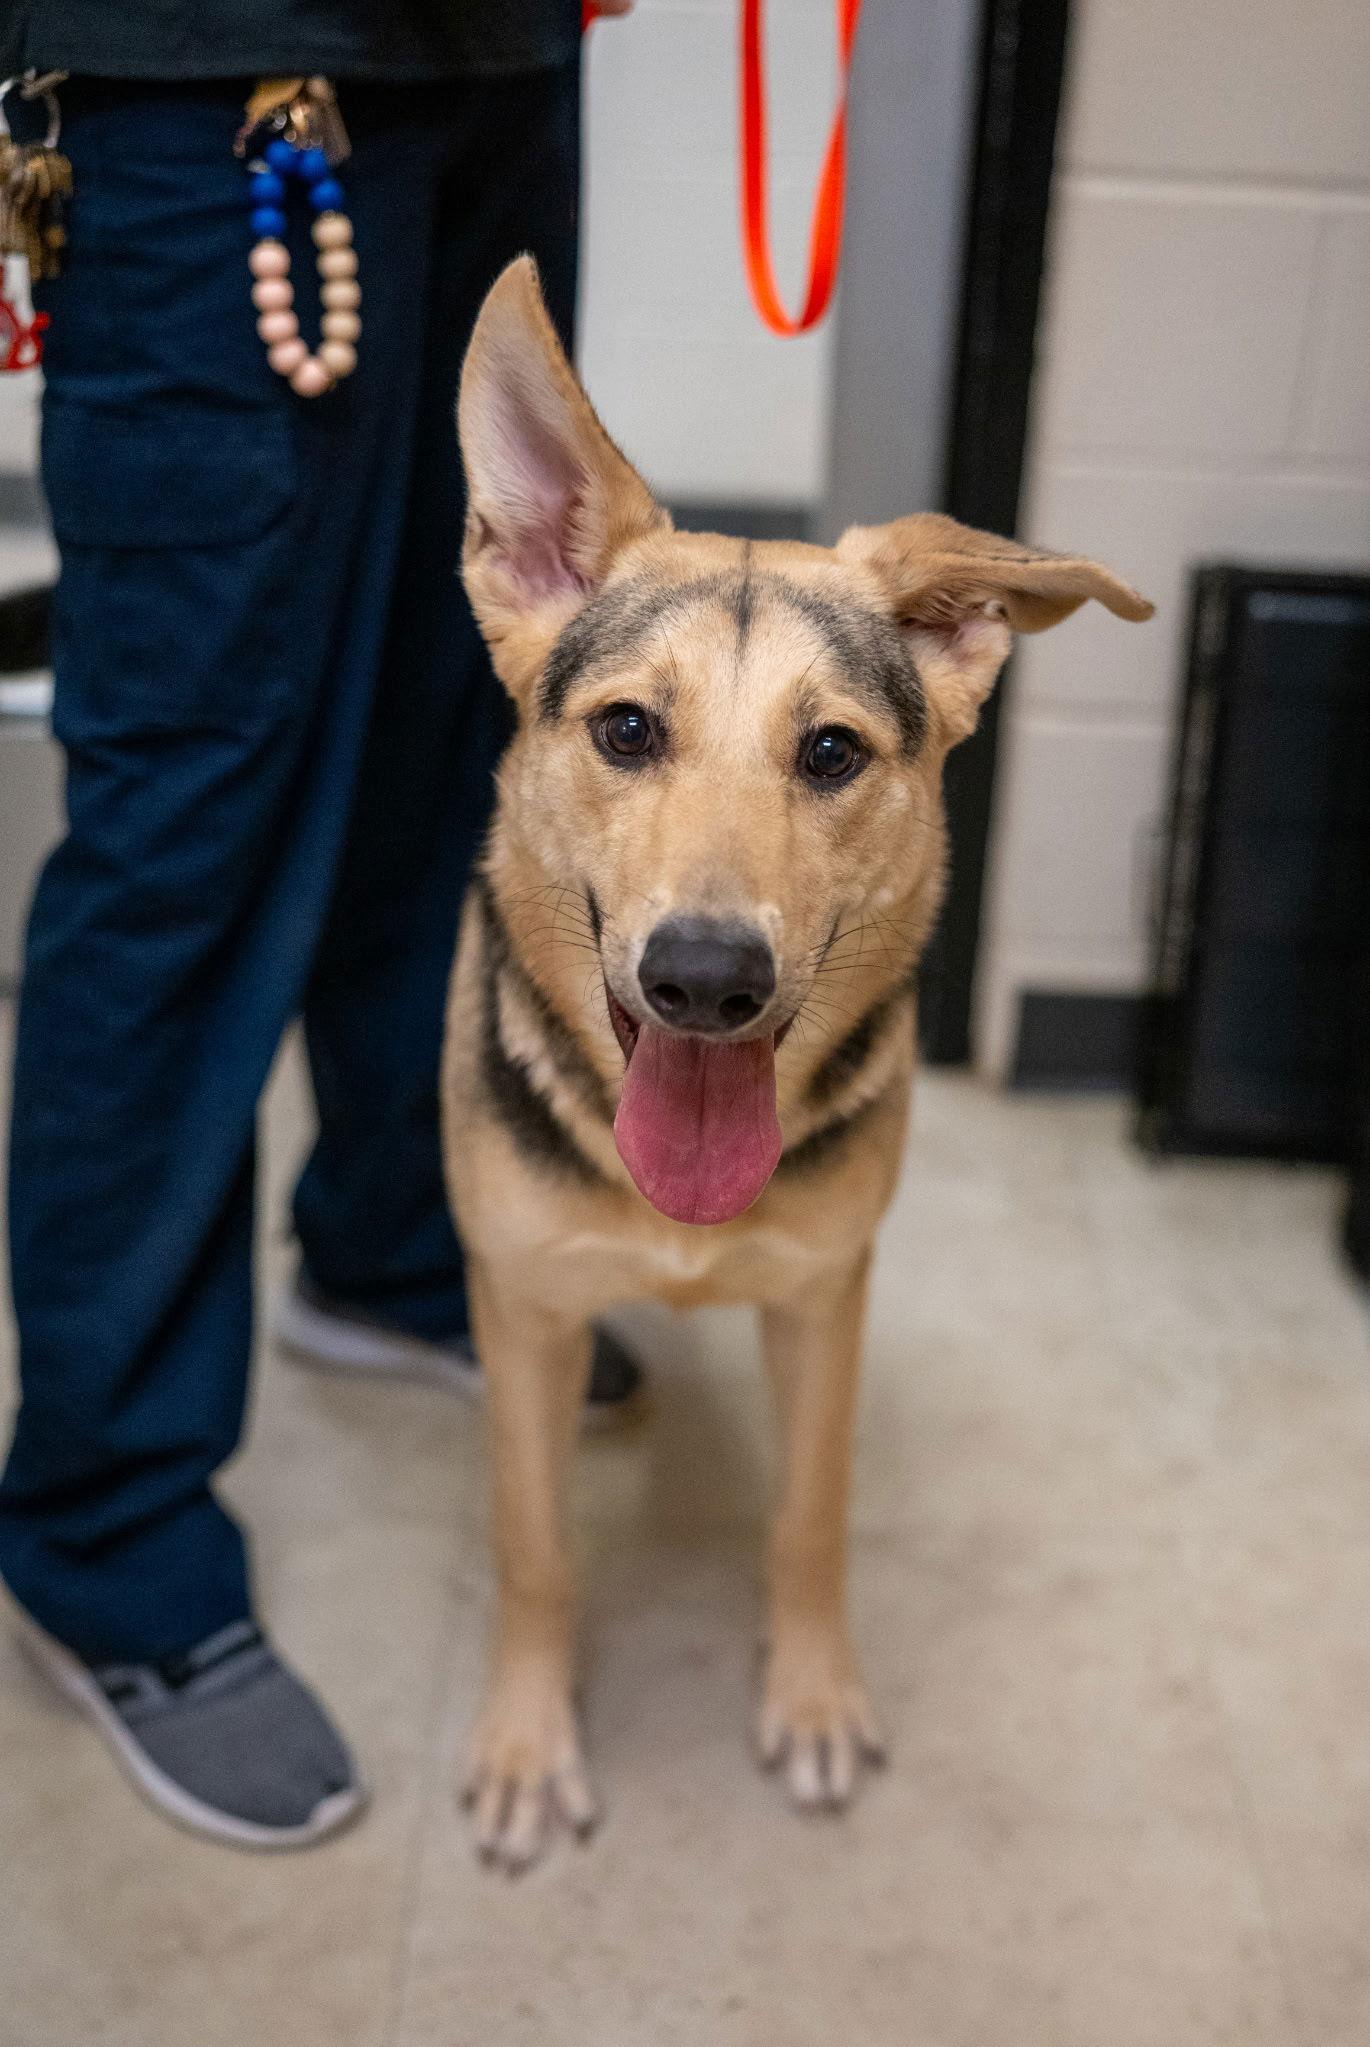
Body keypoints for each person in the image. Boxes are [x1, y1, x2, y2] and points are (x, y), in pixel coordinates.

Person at [0, 0, 639, 1851]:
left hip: (497, 58)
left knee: (463, 738)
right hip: (223, 80)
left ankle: (382, 1253)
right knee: (189, 832)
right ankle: (104, 1534)